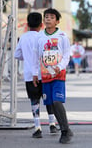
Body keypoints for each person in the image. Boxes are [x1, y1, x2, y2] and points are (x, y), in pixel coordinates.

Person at [14, 12, 58, 138]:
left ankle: (37, 127)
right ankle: (52, 124)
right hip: (45, 73)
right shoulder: (43, 37)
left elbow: (17, 55)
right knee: (48, 99)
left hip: (29, 74)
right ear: (41, 24)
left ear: (27, 24)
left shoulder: (23, 37)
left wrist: (27, 58)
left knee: (34, 101)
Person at [32, 8, 73, 144]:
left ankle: (65, 131)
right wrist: (35, 73)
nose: (48, 19)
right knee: (51, 104)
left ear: (57, 21)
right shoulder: (39, 37)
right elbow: (36, 56)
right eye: (46, 17)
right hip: (45, 75)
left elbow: (67, 55)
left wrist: (59, 67)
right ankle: (65, 129)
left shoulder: (62, 36)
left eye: (51, 17)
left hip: (58, 74)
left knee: (57, 101)